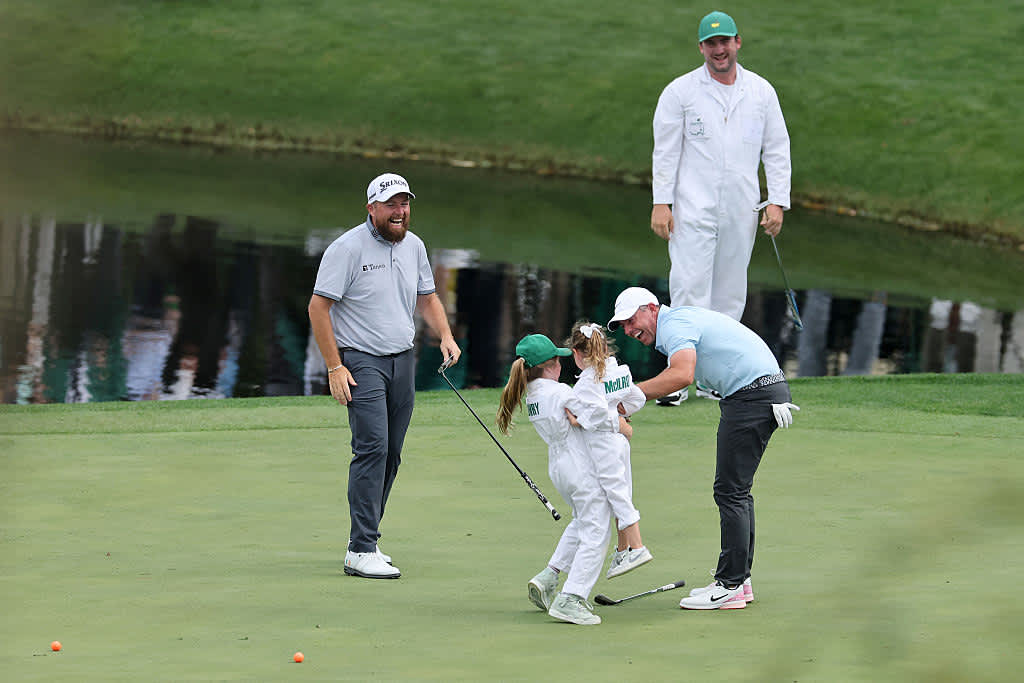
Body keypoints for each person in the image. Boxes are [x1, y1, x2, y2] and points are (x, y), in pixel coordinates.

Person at [308, 172, 461, 580]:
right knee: (372, 447)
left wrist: (444, 334)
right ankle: (360, 549)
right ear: (371, 208)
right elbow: (318, 308)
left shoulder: (414, 246)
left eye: (405, 203)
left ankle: (366, 539)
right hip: (361, 361)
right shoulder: (347, 248)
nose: (400, 212)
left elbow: (427, 297)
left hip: (403, 360)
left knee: (391, 452)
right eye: (391, 204)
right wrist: (334, 366)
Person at [607, 287, 799, 610]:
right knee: (736, 490)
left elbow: (682, 374)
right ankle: (739, 580)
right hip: (759, 392)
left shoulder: (675, 325)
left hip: (751, 395)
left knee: (730, 491)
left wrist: (632, 397)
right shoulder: (677, 323)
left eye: (630, 320)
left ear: (652, 308)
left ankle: (730, 584)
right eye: (622, 326)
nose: (628, 330)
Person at [651, 10, 791, 404]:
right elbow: (665, 152)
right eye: (711, 43)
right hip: (692, 208)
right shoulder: (680, 92)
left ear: (737, 43)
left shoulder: (761, 91)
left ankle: (717, 378)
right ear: (701, 48)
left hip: (741, 208)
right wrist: (661, 202)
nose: (719, 50)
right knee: (689, 290)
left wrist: (777, 200)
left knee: (729, 294)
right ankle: (678, 380)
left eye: (725, 41)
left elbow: (777, 148)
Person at [497, 333, 619, 625]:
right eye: (557, 361)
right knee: (597, 530)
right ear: (551, 365)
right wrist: (620, 420)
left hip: (561, 468)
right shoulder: (560, 392)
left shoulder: (536, 396)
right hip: (578, 466)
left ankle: (549, 577)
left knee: (582, 521)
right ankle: (572, 597)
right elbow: (593, 414)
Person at [564, 321, 653, 579]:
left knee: (616, 493)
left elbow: (600, 414)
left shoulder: (585, 384)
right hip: (619, 444)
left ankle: (636, 547)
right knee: (623, 489)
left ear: (577, 354)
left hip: (604, 443)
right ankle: (623, 549)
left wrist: (578, 420)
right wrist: (622, 414)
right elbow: (636, 398)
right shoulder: (618, 372)